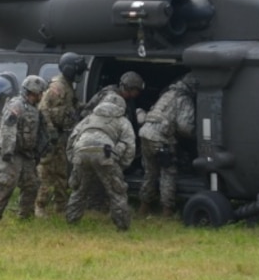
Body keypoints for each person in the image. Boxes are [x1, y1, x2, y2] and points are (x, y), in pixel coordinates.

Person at [65, 91, 136, 231]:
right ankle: (122, 226)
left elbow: (72, 139)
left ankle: (71, 221)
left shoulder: (89, 118)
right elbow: (129, 146)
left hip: (81, 152)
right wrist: (120, 166)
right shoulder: (122, 121)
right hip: (104, 154)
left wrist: (73, 159)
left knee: (79, 189)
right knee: (117, 191)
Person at [0, 74, 46, 223]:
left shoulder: (34, 109)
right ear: (33, 92)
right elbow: (8, 128)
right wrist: (7, 151)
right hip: (12, 152)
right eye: (40, 93)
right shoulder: (16, 106)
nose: (42, 96)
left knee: (32, 184)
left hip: (26, 153)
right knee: (6, 184)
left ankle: (25, 217)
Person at [138, 73, 198, 218]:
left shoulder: (168, 94)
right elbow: (185, 127)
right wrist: (197, 134)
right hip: (161, 138)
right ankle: (167, 211)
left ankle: (143, 208)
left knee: (150, 172)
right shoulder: (184, 99)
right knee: (168, 173)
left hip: (145, 133)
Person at [34, 52, 86, 218]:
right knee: (46, 172)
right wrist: (50, 130)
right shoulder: (57, 87)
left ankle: (61, 205)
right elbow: (42, 109)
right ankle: (40, 206)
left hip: (61, 135)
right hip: (51, 137)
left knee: (62, 172)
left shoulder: (68, 86)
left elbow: (73, 105)